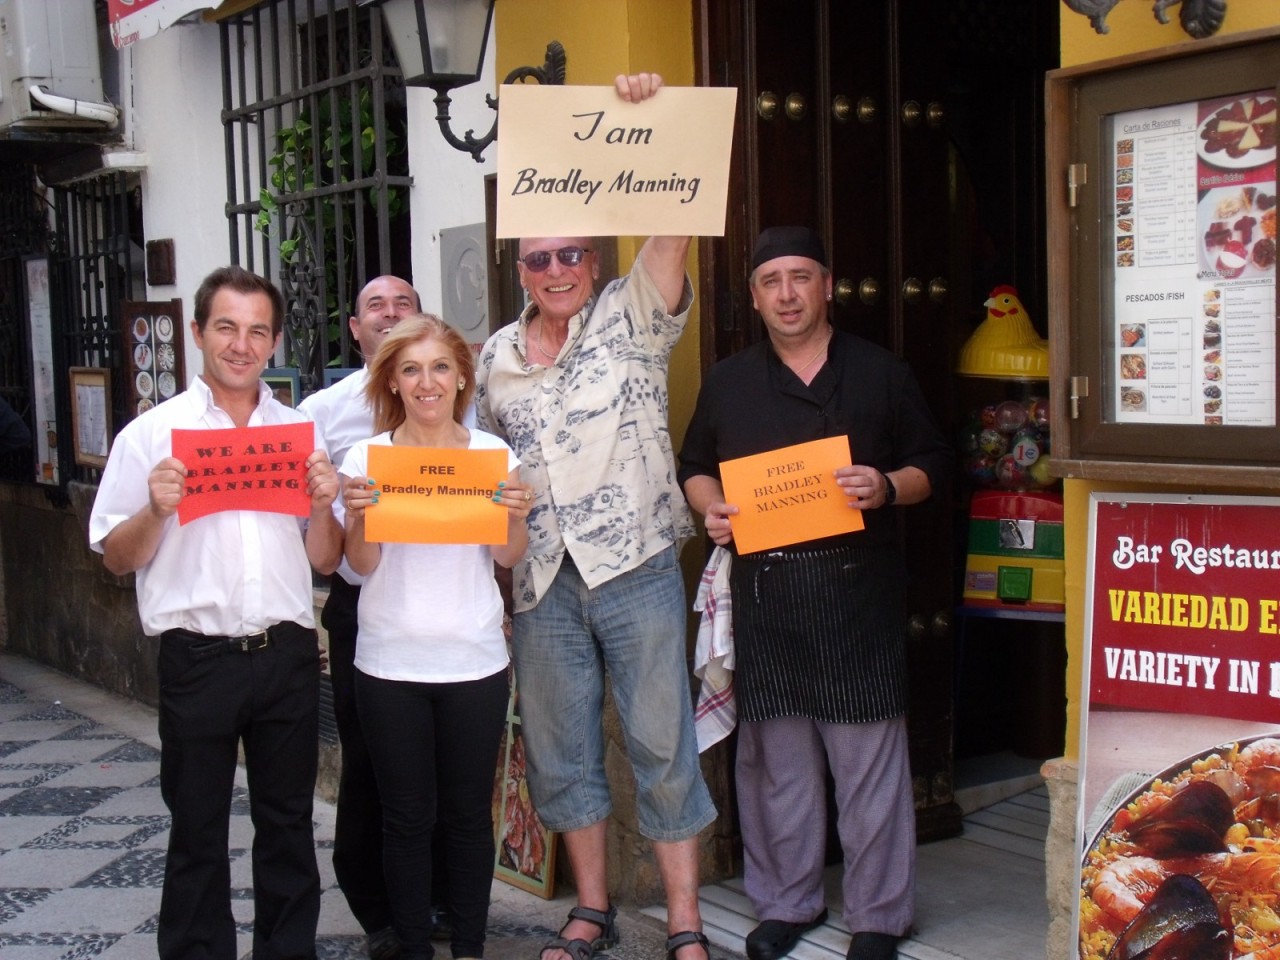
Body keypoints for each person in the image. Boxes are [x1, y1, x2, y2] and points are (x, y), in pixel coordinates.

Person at [474, 70, 717, 960]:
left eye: (572, 254)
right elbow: (472, 461)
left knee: (662, 742)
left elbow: (677, 215)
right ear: (522, 270)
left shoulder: (633, 316)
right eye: (539, 259)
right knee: (561, 751)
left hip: (636, 569)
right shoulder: (495, 357)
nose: (556, 270)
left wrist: (649, 117)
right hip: (541, 580)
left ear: (595, 262)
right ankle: (591, 908)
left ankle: (684, 917)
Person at [677, 227, 952, 960]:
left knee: (870, 769)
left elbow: (932, 463)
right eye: (772, 281)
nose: (788, 294)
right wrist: (711, 508)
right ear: (757, 296)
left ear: (828, 286)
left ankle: (878, 918)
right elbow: (696, 466)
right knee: (776, 768)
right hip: (767, 597)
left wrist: (888, 485)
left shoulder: (880, 373)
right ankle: (785, 902)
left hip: (856, 597)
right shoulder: (730, 380)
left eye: (801, 278)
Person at [88, 264, 343, 960]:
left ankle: (287, 952)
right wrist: (157, 508)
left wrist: (324, 503)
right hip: (197, 658)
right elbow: (115, 555)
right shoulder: (151, 435)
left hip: (287, 652)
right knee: (197, 829)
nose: (242, 343)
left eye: (258, 330)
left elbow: (325, 559)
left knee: (288, 825)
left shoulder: (299, 433)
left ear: (275, 341)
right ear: (199, 333)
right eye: (227, 327)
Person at [338, 314, 532, 960]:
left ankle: (471, 949)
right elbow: (359, 567)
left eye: (440, 368)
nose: (428, 383)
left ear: (462, 379)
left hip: (474, 660)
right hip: (389, 663)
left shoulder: (493, 456)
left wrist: (515, 516)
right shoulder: (365, 460)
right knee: (406, 819)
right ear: (392, 380)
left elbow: (506, 559)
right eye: (412, 369)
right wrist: (360, 519)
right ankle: (416, 948)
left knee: (468, 819)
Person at [298, 274, 420, 960]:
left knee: (435, 759)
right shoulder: (322, 411)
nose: (390, 313)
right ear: (355, 328)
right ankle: (374, 902)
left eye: (403, 303)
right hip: (360, 604)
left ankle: (427, 893)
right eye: (376, 304)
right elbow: (308, 519)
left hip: (441, 605)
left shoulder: (452, 403)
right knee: (370, 757)